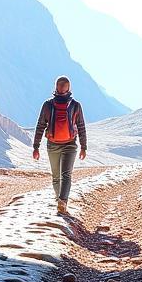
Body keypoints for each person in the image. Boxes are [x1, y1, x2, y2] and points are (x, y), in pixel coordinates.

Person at [32, 76, 87, 214]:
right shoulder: (76, 105)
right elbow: (81, 127)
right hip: (70, 144)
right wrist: (83, 147)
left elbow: (40, 126)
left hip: (52, 144)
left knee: (56, 176)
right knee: (66, 175)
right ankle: (62, 203)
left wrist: (36, 147)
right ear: (69, 88)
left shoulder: (48, 105)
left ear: (56, 88)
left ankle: (59, 201)